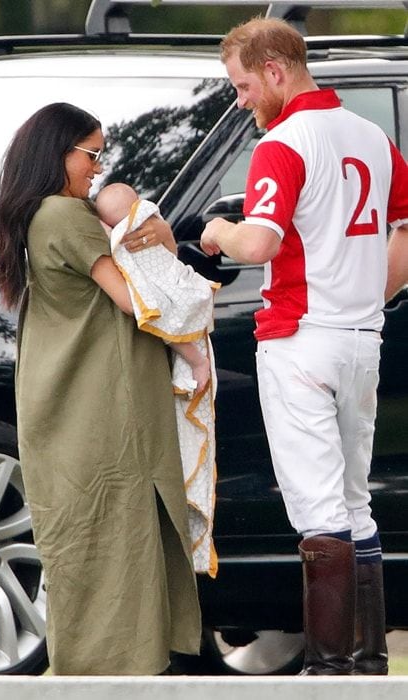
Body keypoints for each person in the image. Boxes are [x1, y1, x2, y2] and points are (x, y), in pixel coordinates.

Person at [200, 17, 408, 676]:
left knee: (319, 510)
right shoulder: (373, 137)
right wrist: (370, 294)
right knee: (354, 503)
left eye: (241, 86)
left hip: (299, 338)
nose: (240, 101)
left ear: (274, 71)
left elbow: (257, 244)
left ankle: (330, 668)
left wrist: (216, 231)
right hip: (360, 338)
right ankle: (366, 663)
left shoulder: (284, 143)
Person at [0, 102, 202, 676]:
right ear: (59, 153)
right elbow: (138, 300)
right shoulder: (66, 216)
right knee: (118, 543)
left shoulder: (37, 216)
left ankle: (94, 670)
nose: (98, 168)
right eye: (92, 154)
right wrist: (161, 247)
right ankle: (118, 673)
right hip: (102, 407)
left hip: (66, 408)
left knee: (85, 545)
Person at [96, 182, 219, 577]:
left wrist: (165, 239)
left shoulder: (139, 235)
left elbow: (158, 292)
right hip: (170, 335)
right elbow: (152, 304)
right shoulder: (121, 245)